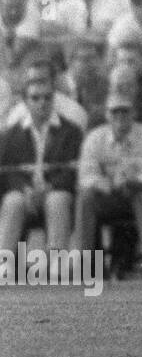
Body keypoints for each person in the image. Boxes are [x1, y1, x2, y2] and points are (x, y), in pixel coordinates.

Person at [75, 91, 142, 277]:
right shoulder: (94, 138)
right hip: (106, 196)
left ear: (134, 113)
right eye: (115, 112)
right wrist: (102, 183)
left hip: (136, 196)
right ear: (107, 115)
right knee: (86, 197)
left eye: (125, 111)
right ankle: (86, 261)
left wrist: (133, 182)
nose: (120, 117)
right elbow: (85, 175)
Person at [0, 68, 82, 255]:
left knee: (57, 200)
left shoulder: (71, 132)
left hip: (56, 192)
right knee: (13, 200)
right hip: (24, 194)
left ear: (54, 99)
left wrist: (50, 187)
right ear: (25, 101)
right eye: (35, 98)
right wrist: (24, 188)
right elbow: (7, 173)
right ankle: (3, 263)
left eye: (47, 97)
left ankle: (56, 262)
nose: (42, 103)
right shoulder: (11, 135)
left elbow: (73, 171)